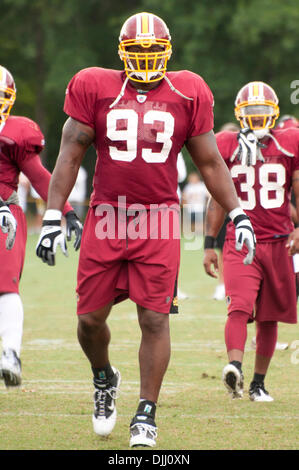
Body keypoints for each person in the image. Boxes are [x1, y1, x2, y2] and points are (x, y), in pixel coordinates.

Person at [36, 12, 255, 447]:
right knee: (88, 321)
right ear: (122, 53)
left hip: (158, 218)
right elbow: (69, 153)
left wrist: (239, 212)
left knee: (154, 318)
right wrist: (51, 216)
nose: (145, 59)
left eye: (153, 51)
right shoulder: (94, 85)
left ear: (167, 52)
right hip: (106, 216)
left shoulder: (186, 89)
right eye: (137, 51)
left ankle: (146, 414)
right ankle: (104, 378)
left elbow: (209, 162)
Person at [203, 80, 299, 402]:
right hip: (241, 240)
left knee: (269, 317)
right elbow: (217, 199)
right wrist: (207, 245)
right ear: (239, 114)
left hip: (280, 241)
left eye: (262, 112)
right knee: (239, 307)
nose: (257, 118)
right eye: (251, 112)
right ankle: (234, 367)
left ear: (274, 113)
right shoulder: (226, 144)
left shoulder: (289, 142)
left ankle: (258, 383)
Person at [0, 65, 83, 388]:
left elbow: (39, 177)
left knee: (5, 287)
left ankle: (10, 353)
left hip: (3, 215)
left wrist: (65, 211)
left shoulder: (16, 133)